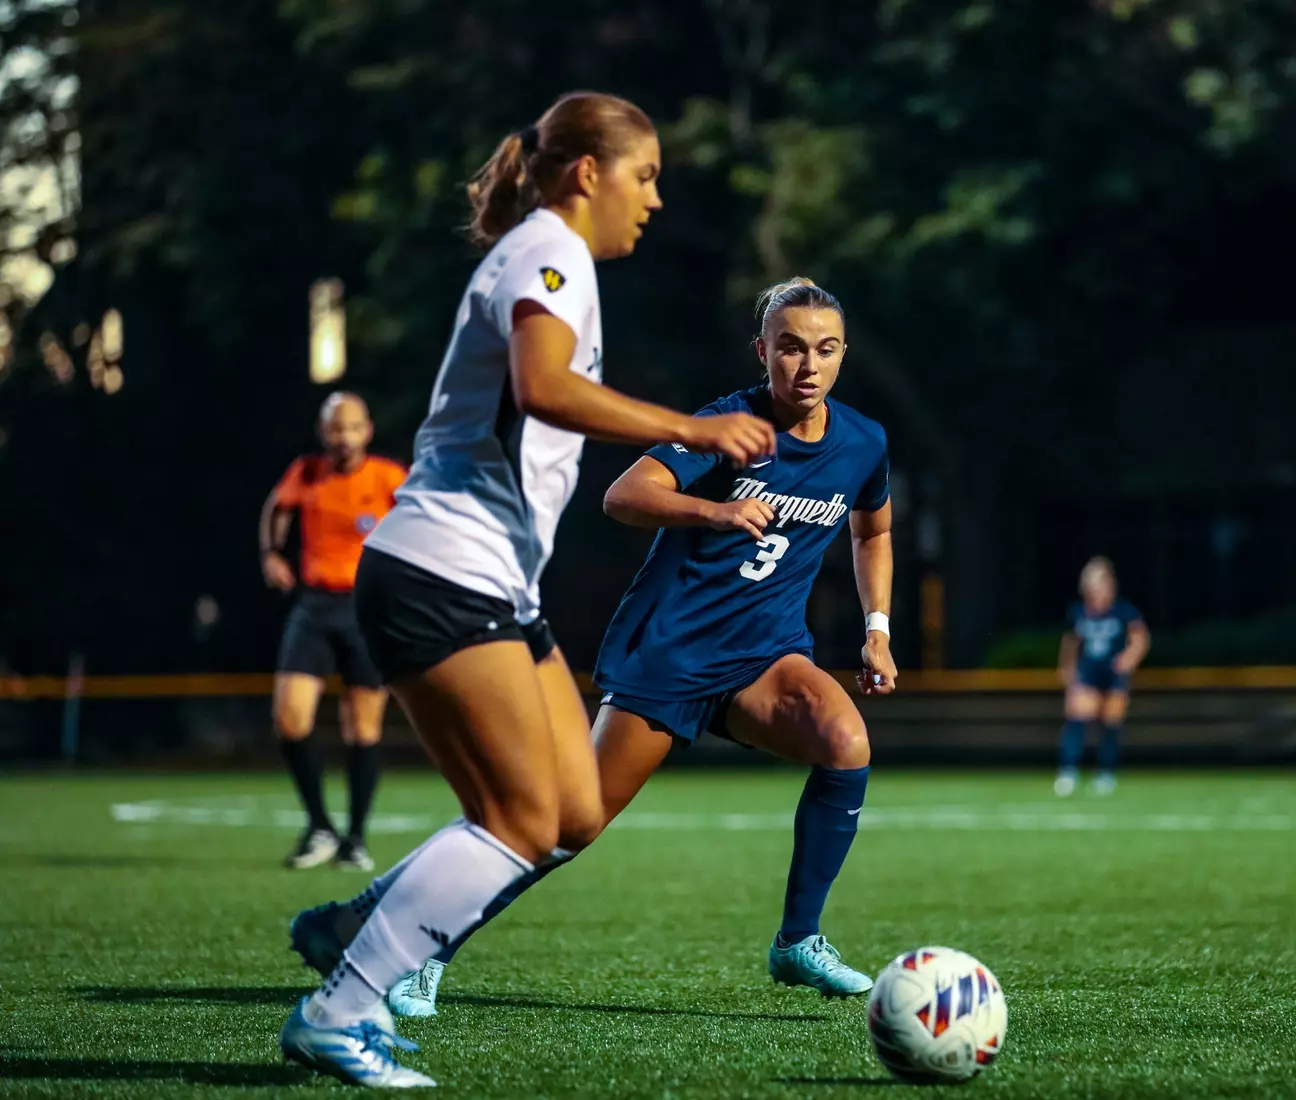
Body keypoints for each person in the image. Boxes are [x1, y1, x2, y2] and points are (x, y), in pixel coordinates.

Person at [274, 91, 775, 1089]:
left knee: (574, 811)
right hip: (440, 567)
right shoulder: (548, 249)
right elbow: (544, 385)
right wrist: (688, 426)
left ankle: (356, 921)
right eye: (646, 174)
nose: (657, 198)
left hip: (493, 580)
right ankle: (337, 1013)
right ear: (588, 172)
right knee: (515, 821)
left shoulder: (557, 256)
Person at [367, 276, 896, 1018]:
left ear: (843, 356)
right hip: (671, 653)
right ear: (763, 351)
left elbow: (872, 529)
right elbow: (624, 495)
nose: (807, 365)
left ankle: (798, 942)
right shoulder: (726, 426)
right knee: (565, 825)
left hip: (765, 654)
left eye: (825, 349)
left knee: (845, 742)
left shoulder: (864, 440)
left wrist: (878, 630)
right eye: (790, 348)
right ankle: (424, 946)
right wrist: (714, 509)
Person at [259, 392, 405, 871]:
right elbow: (277, 508)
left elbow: (420, 522)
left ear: (367, 430)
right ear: (324, 433)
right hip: (316, 606)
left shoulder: (388, 477)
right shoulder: (306, 473)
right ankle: (320, 826)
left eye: (352, 427)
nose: (343, 437)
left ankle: (355, 840)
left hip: (367, 609)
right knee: (290, 718)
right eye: (334, 429)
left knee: (362, 727)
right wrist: (271, 554)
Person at [1055, 557, 1149, 796]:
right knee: (1077, 718)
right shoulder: (1078, 612)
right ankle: (1068, 772)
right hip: (1088, 673)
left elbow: (1140, 639)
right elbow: (1070, 642)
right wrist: (1068, 668)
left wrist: (1128, 659)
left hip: (1113, 674)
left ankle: (1106, 773)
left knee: (1110, 722)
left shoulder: (1123, 611)